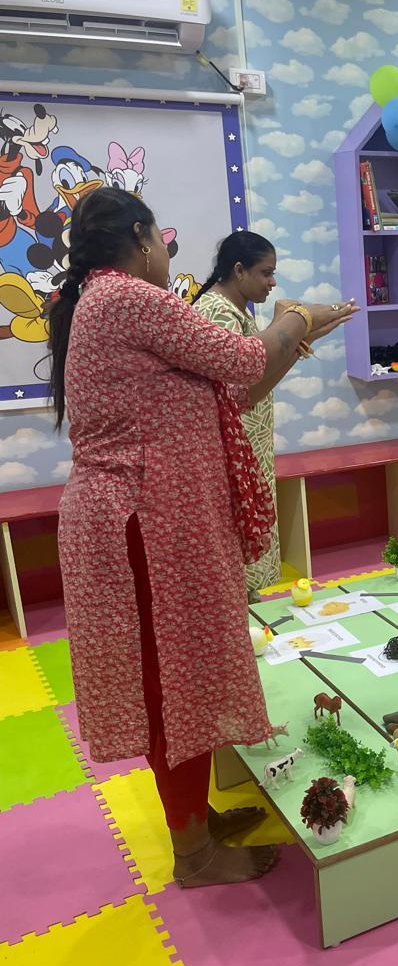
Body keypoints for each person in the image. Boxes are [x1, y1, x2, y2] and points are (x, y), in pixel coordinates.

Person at [49, 187, 358, 887]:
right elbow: (246, 363)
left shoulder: (107, 301)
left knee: (181, 680)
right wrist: (296, 316)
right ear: (141, 237)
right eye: (162, 238)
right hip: (143, 524)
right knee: (174, 686)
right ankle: (191, 853)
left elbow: (236, 392)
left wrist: (291, 334)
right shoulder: (126, 296)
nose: (168, 252)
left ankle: (195, 820)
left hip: (150, 521)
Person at [192, 232, 282, 602]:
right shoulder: (217, 312)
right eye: (266, 273)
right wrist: (288, 330)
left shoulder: (236, 310)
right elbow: (237, 391)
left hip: (248, 446)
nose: (272, 282)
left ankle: (247, 606)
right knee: (236, 538)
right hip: (232, 451)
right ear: (239, 270)